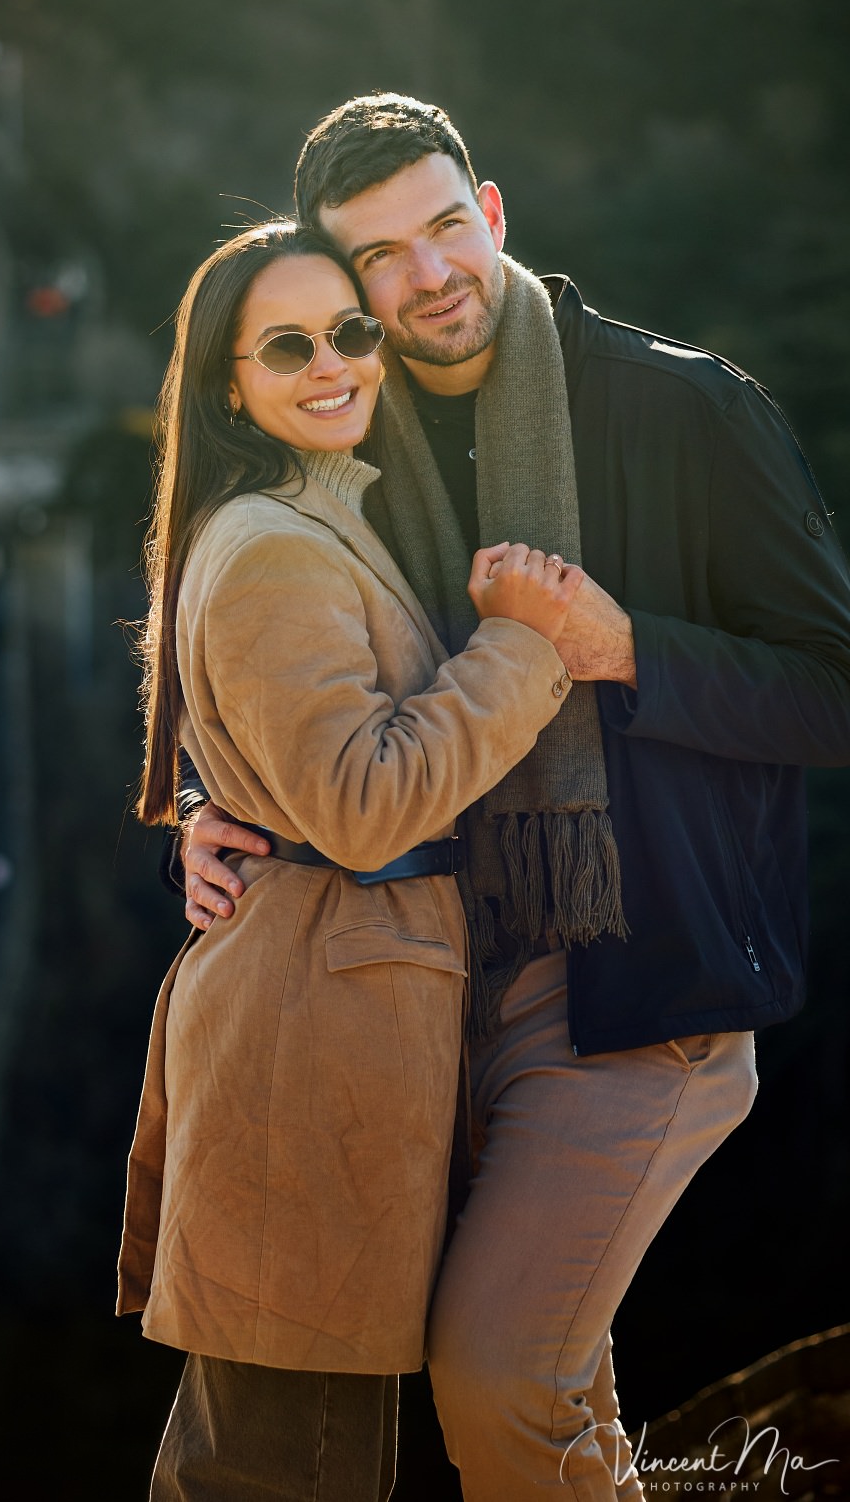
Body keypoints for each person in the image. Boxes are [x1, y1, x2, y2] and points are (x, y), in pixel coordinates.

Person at [180, 95, 850, 1500]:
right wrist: (220, 807)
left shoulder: (686, 407)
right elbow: (328, 673)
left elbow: (831, 685)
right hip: (437, 990)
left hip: (642, 980)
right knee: (540, 1395)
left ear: (490, 215)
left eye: (444, 227)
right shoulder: (354, 455)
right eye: (380, 258)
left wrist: (626, 652)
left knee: (495, 1379)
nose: (429, 276)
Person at [117, 220, 585, 1501]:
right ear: (229, 382)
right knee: (287, 1469)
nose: (334, 364)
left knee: (267, 1459)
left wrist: (223, 809)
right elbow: (367, 806)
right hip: (310, 1045)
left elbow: (293, 765)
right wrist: (525, 646)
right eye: (288, 346)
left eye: (351, 331)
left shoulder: (311, 520)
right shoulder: (274, 543)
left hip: (326, 1024)